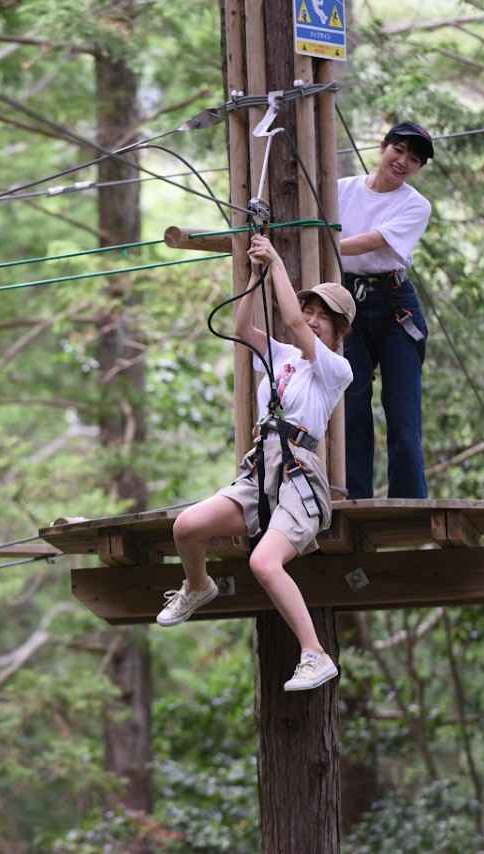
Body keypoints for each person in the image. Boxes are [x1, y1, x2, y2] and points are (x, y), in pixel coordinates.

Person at [158, 234, 354, 692]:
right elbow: (242, 328)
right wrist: (254, 277)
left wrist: (279, 266)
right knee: (186, 527)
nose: (311, 321)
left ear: (339, 331)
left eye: (324, 318)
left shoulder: (332, 369)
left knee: (265, 564)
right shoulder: (281, 357)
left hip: (298, 476)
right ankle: (197, 586)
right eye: (311, 312)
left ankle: (315, 654)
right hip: (260, 470)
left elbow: (288, 318)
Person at [338, 121, 435, 499]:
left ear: (418, 168)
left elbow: (373, 241)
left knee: (403, 416)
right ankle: (354, 498)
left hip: (395, 308)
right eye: (399, 150)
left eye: (414, 159)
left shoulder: (415, 205)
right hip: (346, 305)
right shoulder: (341, 190)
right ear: (383, 147)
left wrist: (324, 240)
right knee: (351, 406)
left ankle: (409, 503)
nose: (403, 161)